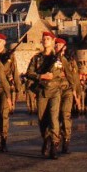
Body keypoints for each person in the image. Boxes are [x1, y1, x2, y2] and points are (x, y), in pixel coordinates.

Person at [25, 31, 63, 160]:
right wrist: (41, 76)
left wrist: (53, 75)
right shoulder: (36, 58)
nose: (46, 40)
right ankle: (46, 139)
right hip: (41, 91)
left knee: (53, 118)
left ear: (53, 41)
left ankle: (54, 145)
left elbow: (60, 73)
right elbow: (28, 73)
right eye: (44, 39)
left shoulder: (57, 58)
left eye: (48, 39)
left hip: (54, 91)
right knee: (42, 120)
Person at [0, 33, 21, 152]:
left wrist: (18, 88)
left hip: (5, 88)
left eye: (0, 41)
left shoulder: (10, 56)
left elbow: (15, 72)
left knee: (3, 114)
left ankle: (3, 138)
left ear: (4, 42)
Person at [54, 37, 79, 154]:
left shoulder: (70, 60)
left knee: (65, 115)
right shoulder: (52, 58)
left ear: (64, 47)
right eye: (56, 45)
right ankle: (55, 139)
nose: (57, 46)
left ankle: (66, 140)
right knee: (54, 117)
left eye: (59, 45)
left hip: (67, 90)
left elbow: (74, 78)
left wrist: (76, 95)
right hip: (55, 90)